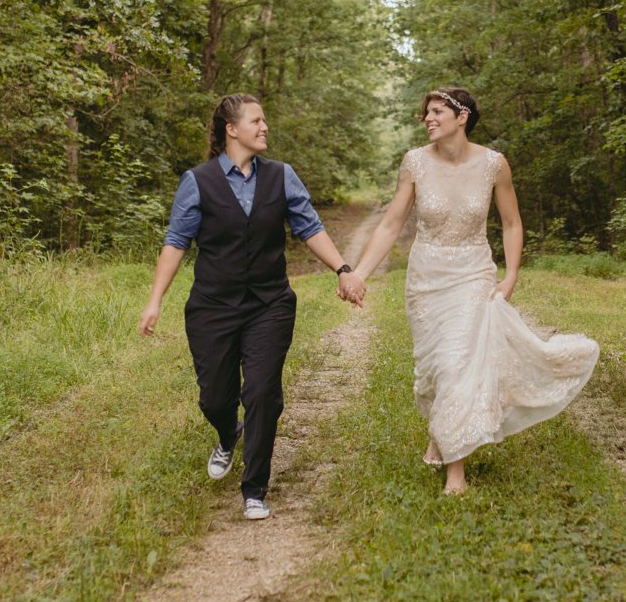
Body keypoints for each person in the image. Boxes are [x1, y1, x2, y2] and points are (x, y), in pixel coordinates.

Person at [345, 88, 597, 497]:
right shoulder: (415, 164)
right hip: (426, 279)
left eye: (437, 111)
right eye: (426, 112)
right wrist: (358, 273)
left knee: (457, 363)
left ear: (462, 117)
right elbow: (391, 225)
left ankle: (455, 472)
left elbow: (512, 223)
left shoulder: (494, 165)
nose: (428, 118)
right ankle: (445, 431)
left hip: (473, 272)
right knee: (434, 371)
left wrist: (511, 274)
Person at [140, 94, 364, 521]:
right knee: (215, 398)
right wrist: (154, 301)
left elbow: (309, 227)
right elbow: (176, 243)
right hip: (212, 307)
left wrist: (343, 269)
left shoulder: (282, 176)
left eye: (265, 121)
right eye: (256, 121)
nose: (265, 128)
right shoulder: (198, 181)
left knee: (262, 391)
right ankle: (228, 435)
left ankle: (255, 488)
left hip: (269, 304)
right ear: (232, 129)